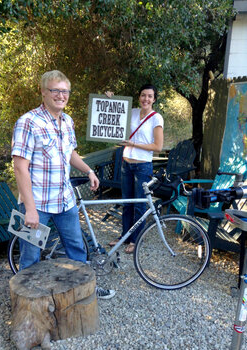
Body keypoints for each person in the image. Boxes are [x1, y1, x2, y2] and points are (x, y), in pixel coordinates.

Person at [11, 70, 115, 299]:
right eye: (55, 90)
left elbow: (69, 153)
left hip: (64, 200)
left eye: (65, 91)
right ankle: (30, 305)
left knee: (77, 248)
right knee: (30, 256)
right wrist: (29, 209)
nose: (61, 95)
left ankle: (82, 292)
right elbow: (20, 167)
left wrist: (88, 171)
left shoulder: (67, 121)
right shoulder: (28, 122)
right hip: (37, 203)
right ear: (43, 92)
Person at [108, 84, 164, 254]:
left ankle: (135, 239)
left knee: (139, 205)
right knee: (127, 202)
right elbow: (113, 113)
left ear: (154, 99)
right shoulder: (131, 112)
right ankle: (125, 236)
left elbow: (158, 146)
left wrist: (133, 144)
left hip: (142, 166)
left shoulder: (156, 118)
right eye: (143, 95)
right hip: (127, 163)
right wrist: (109, 99)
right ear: (139, 97)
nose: (145, 99)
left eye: (149, 96)